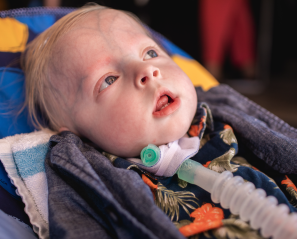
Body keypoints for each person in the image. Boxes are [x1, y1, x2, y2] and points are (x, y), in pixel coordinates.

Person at [20, 4, 297, 238]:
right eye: (108, 80)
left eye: (150, 53)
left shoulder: (225, 119)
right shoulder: (95, 179)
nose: (147, 71)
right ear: (77, 130)